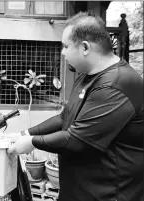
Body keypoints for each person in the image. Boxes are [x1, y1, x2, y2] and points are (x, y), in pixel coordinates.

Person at [8, 12, 144, 201]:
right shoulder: (86, 76)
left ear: (85, 47)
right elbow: (64, 118)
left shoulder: (117, 84)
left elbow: (77, 140)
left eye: (65, 46)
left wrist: (32, 142)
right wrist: (25, 134)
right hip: (78, 192)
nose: (62, 53)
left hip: (108, 195)